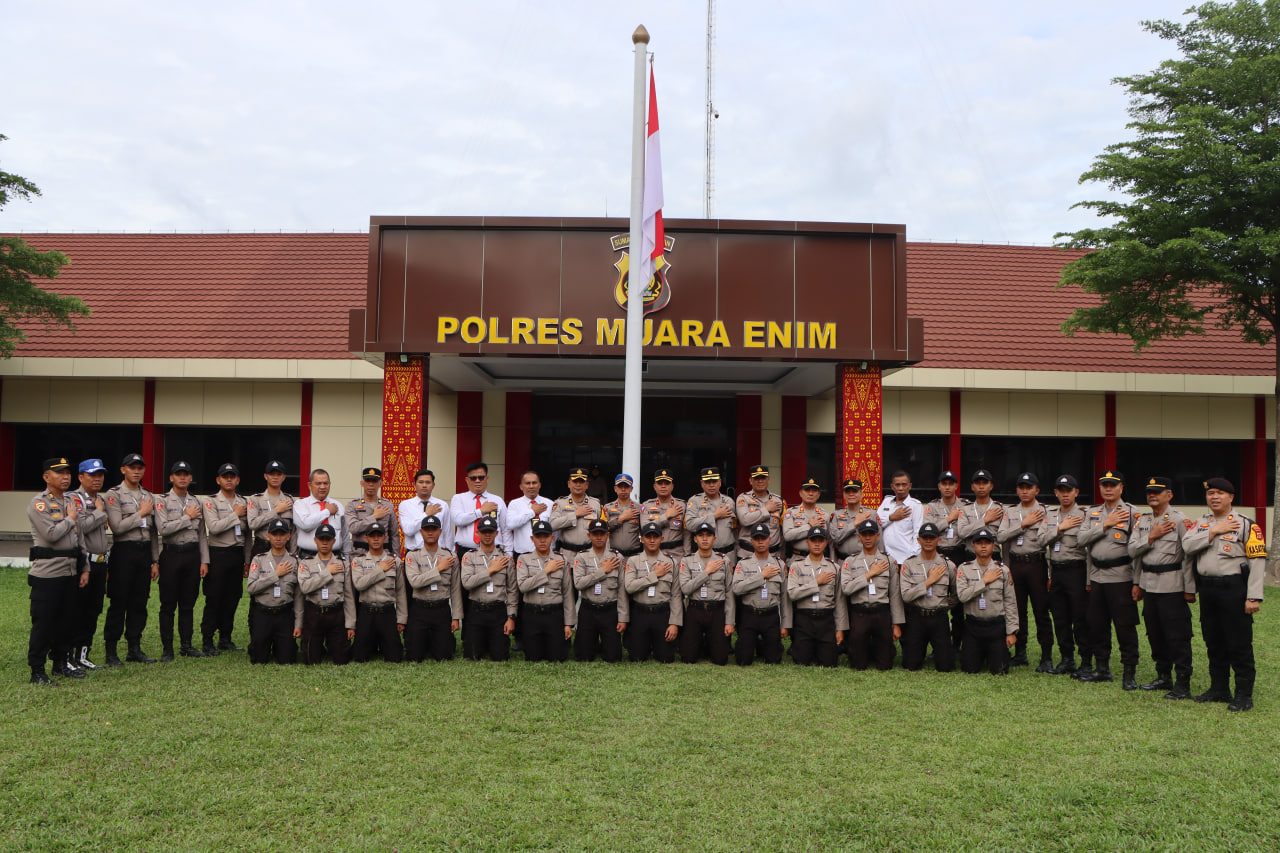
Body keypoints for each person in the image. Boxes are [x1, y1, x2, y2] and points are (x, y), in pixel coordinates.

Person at [1183, 477, 1265, 711]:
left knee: (1238, 642)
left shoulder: (1246, 524)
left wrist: (1254, 596)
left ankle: (1243, 695)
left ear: (1231, 496)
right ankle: (1219, 689)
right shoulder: (1201, 523)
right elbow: (1187, 547)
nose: (1214, 497)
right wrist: (1213, 531)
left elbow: (1257, 561)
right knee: (1213, 640)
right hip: (1208, 589)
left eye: (1220, 493)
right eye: (1211, 494)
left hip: (1234, 590)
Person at [1128, 476, 1196, 699]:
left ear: (1170, 495)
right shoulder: (1143, 520)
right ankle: (1163, 676)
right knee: (1155, 634)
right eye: (1149, 492)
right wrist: (1137, 583)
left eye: (1157, 491)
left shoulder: (1179, 520)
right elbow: (1133, 552)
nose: (1152, 495)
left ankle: (1183, 683)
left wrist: (1190, 588)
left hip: (1172, 586)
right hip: (1149, 586)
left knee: (1177, 636)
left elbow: (1188, 556)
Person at [1076, 471, 1141, 689]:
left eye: (1113, 485)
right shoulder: (1092, 513)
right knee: (1097, 624)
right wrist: (1105, 524)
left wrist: (1137, 582)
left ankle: (1129, 672)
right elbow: (1081, 540)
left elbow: (1138, 551)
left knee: (1125, 626)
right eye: (1104, 485)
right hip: (1097, 577)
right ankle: (1102, 668)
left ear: (1121, 488)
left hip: (1121, 577)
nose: (1108, 489)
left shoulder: (1133, 513)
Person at [27, 457, 88, 684]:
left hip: (71, 571)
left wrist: (85, 568)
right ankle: (37, 670)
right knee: (45, 623)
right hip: (48, 575)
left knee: (67, 622)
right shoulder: (39, 504)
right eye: (59, 473)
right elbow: (51, 535)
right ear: (46, 477)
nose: (65, 477)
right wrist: (70, 519)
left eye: (67, 473)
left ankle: (61, 664)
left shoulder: (71, 501)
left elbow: (79, 538)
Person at [103, 452, 160, 666]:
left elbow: (153, 532)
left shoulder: (148, 495)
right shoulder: (114, 494)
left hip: (144, 553)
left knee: (139, 602)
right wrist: (141, 514)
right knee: (119, 602)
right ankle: (111, 650)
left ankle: (134, 648)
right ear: (123, 469)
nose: (136, 471)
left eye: (139, 467)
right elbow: (117, 527)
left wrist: (155, 560)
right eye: (132, 467)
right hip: (124, 552)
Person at [996, 472, 1053, 670]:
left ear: (1037, 490)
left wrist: (1050, 574)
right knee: (1017, 610)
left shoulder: (1045, 512)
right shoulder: (1010, 512)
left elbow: (1052, 544)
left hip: (1037, 564)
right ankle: (1020, 653)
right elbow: (1001, 536)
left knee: (1041, 611)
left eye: (1029, 487)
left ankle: (1046, 656)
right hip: (1016, 565)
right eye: (1021, 487)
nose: (1025, 491)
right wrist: (1022, 525)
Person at [155, 461, 210, 661]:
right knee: (168, 604)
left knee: (188, 603)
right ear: (171, 478)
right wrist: (186, 518)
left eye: (186, 474)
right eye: (178, 474)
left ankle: (186, 645)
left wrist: (205, 560)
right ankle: (167, 648)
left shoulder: (196, 502)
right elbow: (164, 529)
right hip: (171, 554)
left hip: (192, 555)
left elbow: (202, 534)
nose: (183, 478)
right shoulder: (162, 501)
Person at [1039, 475, 1090, 675]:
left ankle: (1086, 661)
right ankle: (1066, 659)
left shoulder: (1085, 515)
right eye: (1061, 490)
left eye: (1068, 490)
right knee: (1060, 617)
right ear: (1056, 493)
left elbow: (1090, 547)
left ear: (1076, 492)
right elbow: (1041, 539)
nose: (1065, 494)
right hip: (1057, 571)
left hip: (1076, 571)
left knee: (1080, 617)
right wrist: (1060, 528)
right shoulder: (1050, 516)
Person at [200, 462, 251, 655]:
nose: (229, 480)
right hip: (218, 554)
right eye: (225, 476)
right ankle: (207, 640)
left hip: (236, 555)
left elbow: (247, 535)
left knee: (232, 598)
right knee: (214, 598)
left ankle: (225, 638)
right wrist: (234, 514)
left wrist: (247, 561)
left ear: (237, 480)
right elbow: (214, 527)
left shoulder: (244, 502)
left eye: (232, 476)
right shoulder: (211, 501)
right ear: (218, 480)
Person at [955, 528, 1018, 675]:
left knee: (1000, 669)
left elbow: (1010, 602)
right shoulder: (964, 569)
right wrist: (984, 581)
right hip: (973, 626)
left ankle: (992, 654)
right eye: (979, 543)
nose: (983, 546)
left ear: (993, 546)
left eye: (987, 543)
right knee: (969, 669)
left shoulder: (1003, 570)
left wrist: (1012, 632)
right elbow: (962, 596)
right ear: (973, 546)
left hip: (996, 626)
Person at [840, 518, 901, 671]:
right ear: (859, 536)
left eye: (871, 534)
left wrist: (897, 624)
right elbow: (846, 588)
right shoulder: (850, 562)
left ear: (878, 536)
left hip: (882, 613)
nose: (868, 538)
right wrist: (869, 574)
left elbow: (894, 594)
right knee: (858, 664)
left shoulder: (889, 561)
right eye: (864, 534)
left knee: (885, 664)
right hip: (860, 613)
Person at [898, 522, 957, 672]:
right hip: (917, 617)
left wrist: (942, 604)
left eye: (932, 538)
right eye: (925, 538)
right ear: (918, 540)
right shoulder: (909, 564)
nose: (928, 541)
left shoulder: (947, 565)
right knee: (910, 664)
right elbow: (905, 595)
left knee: (946, 666)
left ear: (939, 540)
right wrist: (928, 582)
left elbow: (957, 594)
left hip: (939, 618)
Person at [403, 515, 463, 662]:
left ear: (440, 531)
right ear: (421, 532)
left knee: (444, 656)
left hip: (441, 609)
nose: (430, 533)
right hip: (419, 609)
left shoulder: (449, 556)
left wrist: (456, 617)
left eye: (434, 529)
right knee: (414, 656)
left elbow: (455, 588)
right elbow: (415, 582)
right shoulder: (412, 555)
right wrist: (439, 569)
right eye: (427, 529)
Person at [784, 526, 846, 667]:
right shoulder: (797, 566)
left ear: (825, 543)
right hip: (805, 619)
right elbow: (792, 593)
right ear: (807, 542)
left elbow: (839, 600)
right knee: (801, 660)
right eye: (813, 541)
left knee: (829, 662)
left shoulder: (834, 568)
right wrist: (816, 583)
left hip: (826, 620)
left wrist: (840, 629)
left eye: (820, 541)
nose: (817, 544)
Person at [515, 520, 576, 662]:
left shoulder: (561, 560)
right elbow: (523, 586)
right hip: (532, 614)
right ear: (532, 538)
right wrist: (547, 571)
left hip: (554, 615)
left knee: (557, 657)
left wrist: (568, 624)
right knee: (532, 657)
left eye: (546, 536)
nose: (542, 540)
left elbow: (567, 594)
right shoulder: (524, 559)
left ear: (552, 538)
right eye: (538, 536)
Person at [69, 458, 109, 671]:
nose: (97, 479)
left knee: (93, 610)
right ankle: (68, 655)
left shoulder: (100, 499)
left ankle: (83, 654)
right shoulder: (73, 499)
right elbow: (79, 526)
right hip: (83, 563)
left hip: (101, 563)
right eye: (92, 475)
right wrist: (100, 513)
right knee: (77, 610)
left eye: (100, 475)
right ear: (81, 477)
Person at [623, 522, 683, 663]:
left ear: (661, 539)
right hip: (640, 613)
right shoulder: (633, 561)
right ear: (642, 539)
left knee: (666, 658)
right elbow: (629, 587)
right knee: (637, 658)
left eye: (655, 537)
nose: (651, 540)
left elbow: (675, 595)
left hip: (662, 613)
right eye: (648, 537)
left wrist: (674, 623)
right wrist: (654, 575)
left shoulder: (670, 562)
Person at [296, 522, 355, 665]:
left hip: (336, 614)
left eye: (328, 539)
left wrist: (350, 624)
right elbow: (305, 587)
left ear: (333, 542)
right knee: (310, 659)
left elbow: (348, 595)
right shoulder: (306, 563)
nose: (324, 543)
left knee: (342, 659)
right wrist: (327, 572)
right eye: (321, 539)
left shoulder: (343, 564)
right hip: (314, 613)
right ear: (315, 540)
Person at [924, 470, 970, 651]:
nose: (947, 487)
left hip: (959, 554)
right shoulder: (932, 506)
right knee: (938, 598)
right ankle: (939, 647)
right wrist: (949, 519)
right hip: (939, 554)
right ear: (939, 486)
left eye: (951, 483)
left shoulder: (965, 506)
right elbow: (927, 529)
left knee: (959, 602)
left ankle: (958, 645)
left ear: (956, 486)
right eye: (944, 483)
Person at [677, 522, 735, 665]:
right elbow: (685, 589)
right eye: (701, 535)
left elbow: (729, 592)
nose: (704, 539)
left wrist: (729, 622)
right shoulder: (687, 560)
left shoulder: (723, 560)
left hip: (717, 611)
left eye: (708, 535)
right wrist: (706, 572)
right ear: (695, 539)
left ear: (714, 539)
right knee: (688, 658)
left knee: (721, 659)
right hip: (695, 610)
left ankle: (708, 643)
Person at [731, 523, 789, 665]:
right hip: (750, 615)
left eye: (763, 538)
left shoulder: (779, 564)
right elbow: (737, 588)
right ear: (751, 541)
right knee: (743, 660)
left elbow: (784, 597)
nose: (760, 542)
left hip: (771, 615)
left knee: (774, 660)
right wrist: (761, 576)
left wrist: (785, 624)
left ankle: (764, 645)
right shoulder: (743, 564)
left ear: (769, 540)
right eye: (756, 539)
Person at [459, 517, 516, 660]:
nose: (487, 535)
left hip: (498, 612)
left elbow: (512, 590)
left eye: (491, 531)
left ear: (496, 533)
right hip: (476, 610)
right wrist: (490, 571)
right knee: (472, 655)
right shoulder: (469, 556)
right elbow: (467, 583)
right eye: (484, 532)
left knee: (500, 656)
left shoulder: (506, 559)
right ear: (477, 534)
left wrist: (511, 617)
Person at [245, 519, 300, 664]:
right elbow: (251, 588)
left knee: (287, 659)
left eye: (282, 534)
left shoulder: (295, 561)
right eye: (275, 534)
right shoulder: (259, 560)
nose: (278, 538)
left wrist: (298, 624)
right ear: (268, 536)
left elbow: (299, 596)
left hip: (284, 614)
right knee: (258, 659)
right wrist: (275, 574)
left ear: (288, 536)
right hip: (263, 613)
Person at [571, 518, 626, 662]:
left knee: (613, 657)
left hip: (610, 609)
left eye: (602, 533)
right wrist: (602, 571)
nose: (599, 537)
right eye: (595, 534)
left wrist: (623, 617)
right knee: (583, 656)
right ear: (589, 536)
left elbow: (622, 590)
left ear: (608, 535)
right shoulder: (581, 557)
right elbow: (578, 583)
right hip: (588, 609)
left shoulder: (617, 557)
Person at [350, 523, 406, 662]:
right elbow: (359, 585)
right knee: (359, 657)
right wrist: (380, 569)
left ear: (385, 538)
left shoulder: (394, 561)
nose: (376, 539)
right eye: (372, 536)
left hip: (387, 613)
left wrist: (401, 619)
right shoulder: (359, 561)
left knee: (395, 657)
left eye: (379, 536)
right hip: (366, 613)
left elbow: (400, 592)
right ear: (366, 539)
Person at [685, 467, 738, 569]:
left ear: (720, 482)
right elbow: (690, 524)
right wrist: (714, 516)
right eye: (708, 482)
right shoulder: (694, 501)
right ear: (702, 483)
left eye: (714, 481)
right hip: (705, 556)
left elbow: (734, 530)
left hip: (728, 555)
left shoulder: (729, 502)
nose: (711, 485)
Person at [451, 462, 508, 557]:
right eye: (473, 478)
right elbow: (458, 520)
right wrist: (481, 511)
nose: (477, 481)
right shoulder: (458, 499)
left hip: (494, 552)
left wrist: (508, 552)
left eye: (481, 477)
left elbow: (505, 529)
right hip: (466, 551)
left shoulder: (497, 500)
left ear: (487, 479)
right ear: (467, 480)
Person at [293, 469, 349, 560]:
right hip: (308, 557)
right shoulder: (300, 504)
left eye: (326, 483)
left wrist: (347, 558)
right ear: (309, 485)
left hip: (335, 557)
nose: (322, 487)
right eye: (318, 483)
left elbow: (345, 534)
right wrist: (327, 511)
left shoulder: (338, 505)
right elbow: (305, 524)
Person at [550, 466, 602, 563]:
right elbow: (552, 525)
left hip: (588, 556)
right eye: (575, 481)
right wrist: (575, 515)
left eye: (581, 482)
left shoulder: (595, 504)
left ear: (587, 485)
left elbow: (601, 530)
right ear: (569, 484)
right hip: (566, 556)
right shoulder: (560, 503)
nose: (578, 485)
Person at [735, 464, 785, 561]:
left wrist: (782, 556)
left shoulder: (779, 501)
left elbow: (782, 532)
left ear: (769, 480)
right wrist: (766, 509)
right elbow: (744, 520)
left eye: (763, 478)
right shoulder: (743, 499)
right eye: (756, 478)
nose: (760, 481)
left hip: (773, 555)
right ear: (750, 481)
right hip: (748, 555)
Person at [347, 467, 399, 558]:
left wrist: (397, 557)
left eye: (374, 481)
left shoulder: (387, 505)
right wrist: (374, 517)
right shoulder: (352, 505)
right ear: (362, 483)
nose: (371, 484)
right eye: (368, 481)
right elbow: (353, 528)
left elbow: (394, 534)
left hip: (384, 555)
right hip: (360, 555)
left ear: (380, 484)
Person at [398, 468, 452, 553]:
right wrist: (426, 514)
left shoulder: (442, 505)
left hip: (438, 552)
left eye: (428, 482)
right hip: (414, 552)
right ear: (414, 485)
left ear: (433, 485)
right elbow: (408, 531)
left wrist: (450, 553)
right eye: (421, 482)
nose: (424, 485)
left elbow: (447, 533)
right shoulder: (405, 505)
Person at [247, 460, 295, 555]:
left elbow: (293, 530)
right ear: (266, 476)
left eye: (278, 474)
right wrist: (276, 511)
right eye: (272, 474)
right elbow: (252, 524)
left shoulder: (289, 500)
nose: (275, 477)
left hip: (284, 549)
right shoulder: (255, 499)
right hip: (262, 547)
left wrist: (293, 553)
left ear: (283, 477)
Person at [876, 470, 923, 565]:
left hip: (905, 558)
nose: (901, 488)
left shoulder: (915, 505)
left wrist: (913, 556)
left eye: (904, 485)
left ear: (910, 486)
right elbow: (877, 523)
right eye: (897, 485)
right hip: (885, 558)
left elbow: (918, 533)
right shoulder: (887, 501)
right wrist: (891, 517)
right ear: (892, 486)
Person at [505, 469, 553, 559]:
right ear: (521, 486)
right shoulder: (514, 504)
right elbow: (510, 524)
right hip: (522, 554)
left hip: (546, 554)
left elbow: (555, 530)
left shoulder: (549, 504)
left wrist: (552, 548)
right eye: (527, 483)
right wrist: (532, 512)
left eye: (534, 483)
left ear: (539, 485)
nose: (531, 486)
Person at [641, 468, 688, 561]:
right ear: (654, 486)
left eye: (666, 483)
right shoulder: (646, 506)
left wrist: (687, 556)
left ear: (672, 486)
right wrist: (666, 516)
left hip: (677, 554)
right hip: (653, 554)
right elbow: (645, 528)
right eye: (660, 483)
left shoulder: (681, 505)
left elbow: (687, 534)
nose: (663, 486)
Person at [831, 478, 878, 561]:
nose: (851, 494)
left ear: (861, 494)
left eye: (854, 491)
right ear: (844, 495)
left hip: (865, 561)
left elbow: (878, 540)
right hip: (843, 561)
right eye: (848, 492)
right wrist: (854, 524)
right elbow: (835, 538)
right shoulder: (837, 515)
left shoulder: (871, 514)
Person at [781, 477, 828, 558]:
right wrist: (809, 526)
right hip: (797, 558)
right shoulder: (791, 513)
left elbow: (830, 542)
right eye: (807, 490)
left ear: (818, 494)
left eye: (814, 491)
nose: (810, 493)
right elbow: (787, 536)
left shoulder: (825, 515)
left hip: (819, 560)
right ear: (800, 493)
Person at [604, 474, 643, 560]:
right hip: (614, 556)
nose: (623, 489)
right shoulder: (608, 508)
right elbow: (603, 529)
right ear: (615, 489)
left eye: (626, 486)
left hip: (634, 556)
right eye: (620, 486)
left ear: (631, 489)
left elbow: (644, 531)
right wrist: (620, 519)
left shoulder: (639, 508)